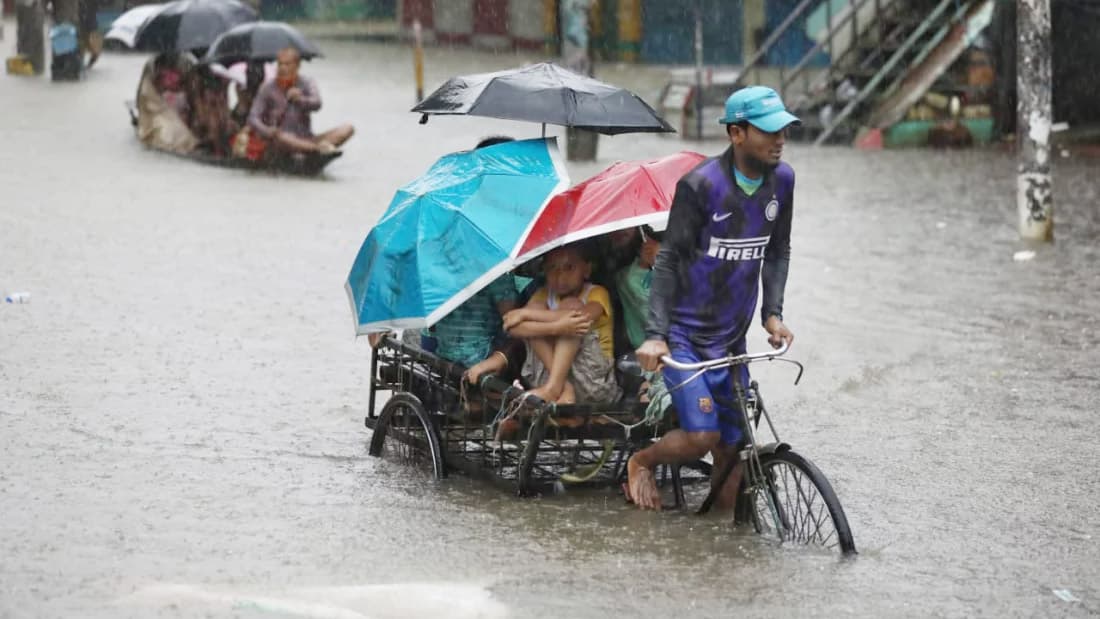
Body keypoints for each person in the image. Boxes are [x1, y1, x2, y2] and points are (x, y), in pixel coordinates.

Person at [626, 85, 799, 511]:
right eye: (769, 131)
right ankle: (642, 460)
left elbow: (777, 249)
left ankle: (724, 555)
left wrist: (772, 314)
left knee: (734, 447)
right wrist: (655, 335)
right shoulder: (701, 186)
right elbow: (667, 262)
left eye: (784, 131)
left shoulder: (784, 180)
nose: (780, 140)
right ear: (736, 133)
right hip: (685, 336)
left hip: (731, 339)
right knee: (702, 434)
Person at [504, 243, 621, 405]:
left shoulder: (597, 293)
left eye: (569, 267)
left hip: (591, 381)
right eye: (552, 268)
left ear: (586, 270)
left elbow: (579, 318)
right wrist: (556, 327)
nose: (560, 276)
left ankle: (556, 386)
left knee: (570, 307)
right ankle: (561, 386)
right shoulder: (543, 294)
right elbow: (512, 328)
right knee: (535, 317)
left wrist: (525, 313)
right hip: (544, 378)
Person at [247, 47, 354, 157]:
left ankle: (314, 148)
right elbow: (253, 118)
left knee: (347, 128)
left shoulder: (307, 82)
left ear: (297, 66)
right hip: (280, 140)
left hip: (306, 138)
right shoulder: (267, 87)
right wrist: (267, 131)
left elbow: (317, 104)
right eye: (280, 64)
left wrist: (300, 99)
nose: (282, 68)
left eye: (287, 64)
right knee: (280, 137)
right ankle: (317, 149)